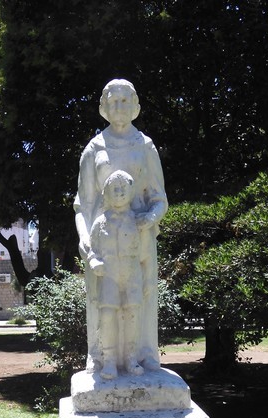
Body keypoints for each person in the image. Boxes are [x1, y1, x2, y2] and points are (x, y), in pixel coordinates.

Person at [74, 79, 168, 375]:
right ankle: (99, 355)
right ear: (103, 107)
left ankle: (145, 353)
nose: (119, 107)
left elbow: (160, 199)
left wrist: (150, 218)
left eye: (125, 101)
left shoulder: (146, 146)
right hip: (101, 239)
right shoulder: (94, 148)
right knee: (102, 299)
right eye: (113, 101)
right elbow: (83, 205)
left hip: (138, 236)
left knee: (142, 295)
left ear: (135, 106)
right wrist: (85, 242)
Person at [88, 170, 144, 380]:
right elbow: (92, 250)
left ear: (130, 192)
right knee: (108, 316)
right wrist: (94, 262)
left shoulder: (138, 221)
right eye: (115, 189)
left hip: (131, 273)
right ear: (107, 193)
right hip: (109, 274)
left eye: (123, 189)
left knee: (132, 315)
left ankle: (131, 358)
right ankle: (109, 360)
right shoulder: (100, 222)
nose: (119, 193)